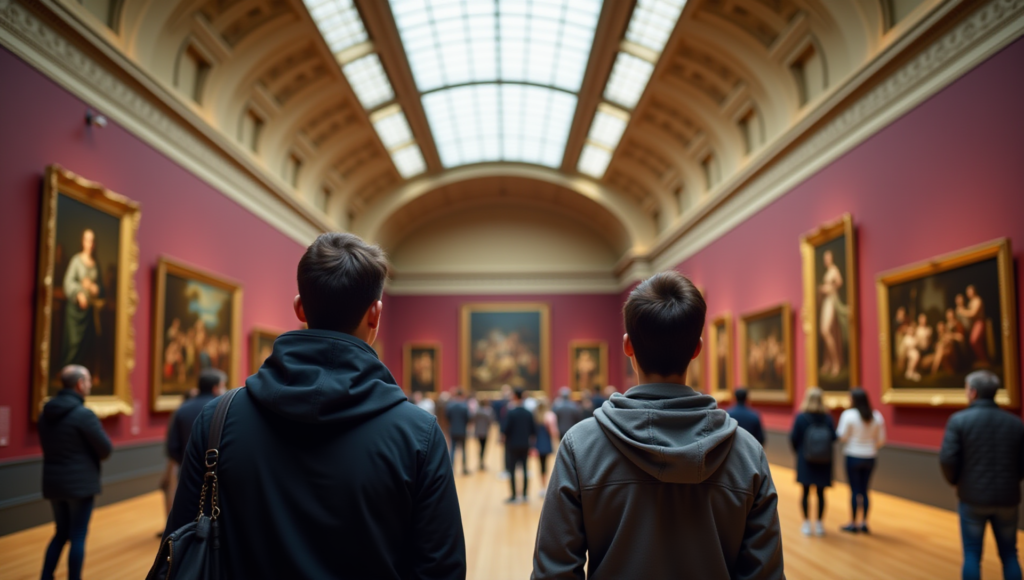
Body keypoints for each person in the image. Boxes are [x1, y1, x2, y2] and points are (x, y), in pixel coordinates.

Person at [160, 232, 466, 579]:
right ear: (375, 315)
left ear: (300, 307)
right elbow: (441, 570)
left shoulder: (217, 418)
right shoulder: (419, 435)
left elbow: (179, 543)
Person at [532, 272, 783, 579]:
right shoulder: (747, 454)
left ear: (627, 346)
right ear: (697, 349)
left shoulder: (580, 446)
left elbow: (554, 572)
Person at [940, 370, 1024, 580]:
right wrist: (1012, 481)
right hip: (1008, 498)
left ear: (973, 392)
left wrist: (955, 482)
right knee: (1009, 554)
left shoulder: (959, 421)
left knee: (972, 554)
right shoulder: (1015, 423)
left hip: (972, 498)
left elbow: (947, 459)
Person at [38, 365, 113, 580]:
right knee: (78, 534)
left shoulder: (46, 414)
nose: (90, 385)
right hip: (80, 484)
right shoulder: (83, 415)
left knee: (61, 532)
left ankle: (45, 576)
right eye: (88, 380)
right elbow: (105, 449)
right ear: (80, 384)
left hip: (53, 482)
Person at [837, 388, 885, 533]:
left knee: (854, 490)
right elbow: (881, 440)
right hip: (870, 456)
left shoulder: (848, 415)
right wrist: (869, 445)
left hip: (853, 455)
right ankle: (864, 522)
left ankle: (853, 522)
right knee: (865, 490)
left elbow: (841, 436)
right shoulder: (876, 416)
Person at [790, 386, 836, 537]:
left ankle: (807, 524)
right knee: (821, 493)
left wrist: (800, 452)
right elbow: (833, 438)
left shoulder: (801, 417)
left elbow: (794, 438)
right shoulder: (827, 418)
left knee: (805, 492)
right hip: (824, 461)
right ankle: (820, 523)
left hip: (805, 459)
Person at [61, 229, 103, 370]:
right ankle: (67, 372)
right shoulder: (76, 260)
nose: (89, 243)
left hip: (89, 311)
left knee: (87, 344)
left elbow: (101, 289)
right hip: (75, 311)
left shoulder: (96, 264)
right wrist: (79, 293)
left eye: (92, 240)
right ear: (83, 241)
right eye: (87, 240)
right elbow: (68, 282)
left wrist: (93, 288)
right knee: (73, 342)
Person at [502, 388, 536, 504]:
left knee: (512, 470)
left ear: (515, 397)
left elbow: (506, 429)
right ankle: (525, 495)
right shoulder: (528, 413)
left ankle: (514, 496)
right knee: (525, 469)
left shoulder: (511, 412)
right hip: (525, 444)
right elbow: (533, 430)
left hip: (512, 445)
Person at [818, 249, 846, 378]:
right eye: (825, 258)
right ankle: (828, 362)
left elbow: (839, 282)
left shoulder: (834, 270)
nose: (826, 260)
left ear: (831, 258)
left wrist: (830, 288)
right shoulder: (828, 271)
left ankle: (836, 363)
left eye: (828, 257)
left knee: (826, 331)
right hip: (826, 302)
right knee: (824, 331)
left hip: (831, 301)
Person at [533, 399, 557, 497]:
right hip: (547, 442)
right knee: (547, 465)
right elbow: (553, 432)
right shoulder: (550, 416)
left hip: (538, 443)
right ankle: (547, 485)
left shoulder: (535, 416)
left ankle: (542, 487)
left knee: (540, 465)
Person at [446, 389, 471, 475]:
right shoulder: (465, 406)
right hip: (462, 431)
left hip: (453, 430)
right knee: (463, 450)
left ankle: (451, 469)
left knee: (452, 449)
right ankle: (464, 469)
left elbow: (447, 417)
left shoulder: (450, 405)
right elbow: (468, 418)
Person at [472, 396, 494, 470]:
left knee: (480, 447)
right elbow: (490, 422)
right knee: (483, 448)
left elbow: (473, 420)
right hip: (485, 432)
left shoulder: (477, 411)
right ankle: (482, 462)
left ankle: (480, 462)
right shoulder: (489, 411)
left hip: (478, 432)